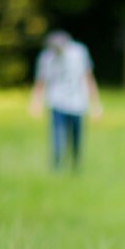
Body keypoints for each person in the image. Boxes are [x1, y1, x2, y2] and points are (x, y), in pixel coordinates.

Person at [29, 30, 102, 170]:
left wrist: (96, 105)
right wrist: (35, 103)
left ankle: (76, 166)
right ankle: (56, 167)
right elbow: (41, 82)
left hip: (78, 103)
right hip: (57, 103)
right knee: (57, 137)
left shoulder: (79, 53)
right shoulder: (46, 58)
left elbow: (88, 78)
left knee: (76, 138)